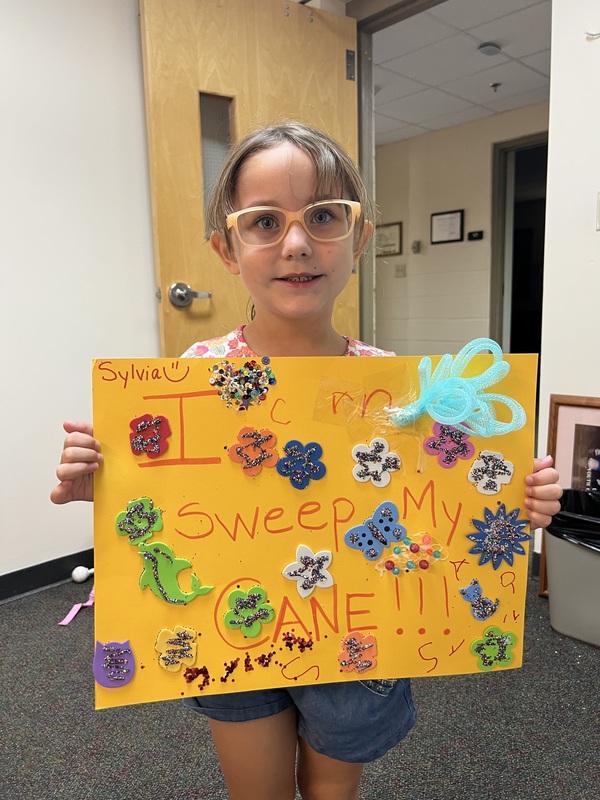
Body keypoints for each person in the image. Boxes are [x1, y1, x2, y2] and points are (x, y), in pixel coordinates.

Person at [51, 122, 563, 800]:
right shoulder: (194, 376)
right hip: (234, 625)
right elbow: (171, 498)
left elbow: (455, 500)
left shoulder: (400, 391)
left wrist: (519, 500)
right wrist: (105, 480)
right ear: (226, 249)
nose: (296, 243)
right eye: (264, 221)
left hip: (354, 636)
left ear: (359, 239)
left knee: (332, 793)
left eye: (323, 216)